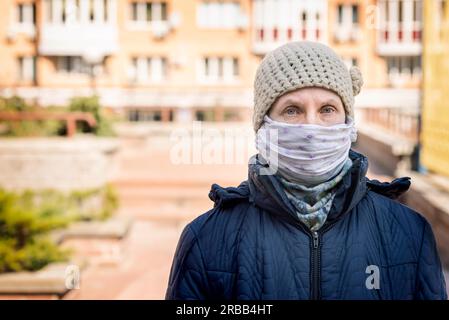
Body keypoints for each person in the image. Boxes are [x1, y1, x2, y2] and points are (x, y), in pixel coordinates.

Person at [165, 41, 447, 300]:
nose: (311, 128)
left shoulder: (409, 233)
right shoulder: (207, 240)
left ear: (348, 122)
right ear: (264, 126)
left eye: (327, 109)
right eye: (292, 110)